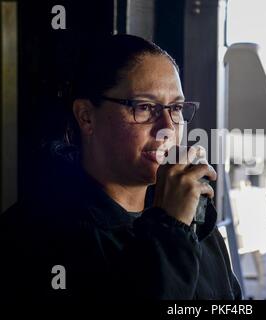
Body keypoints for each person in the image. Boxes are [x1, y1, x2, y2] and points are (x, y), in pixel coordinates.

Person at [0, 34, 242, 302]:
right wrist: (170, 228)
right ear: (86, 117)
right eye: (145, 107)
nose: (168, 128)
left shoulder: (193, 217)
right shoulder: (38, 234)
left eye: (175, 108)